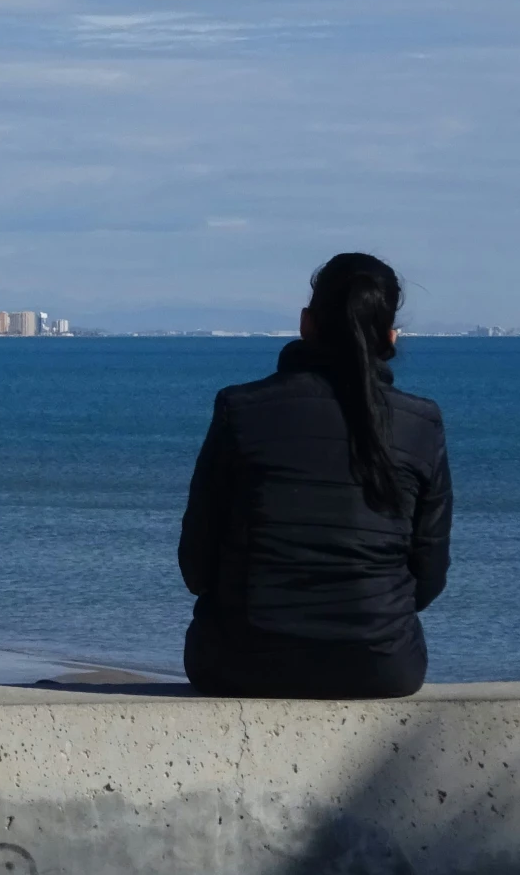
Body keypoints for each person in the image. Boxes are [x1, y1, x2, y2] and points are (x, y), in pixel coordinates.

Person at [178, 253, 452, 698]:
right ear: (390, 336)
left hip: (239, 662)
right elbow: (429, 577)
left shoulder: (241, 409)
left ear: (306, 323)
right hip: (381, 666)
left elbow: (196, 567)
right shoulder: (421, 423)